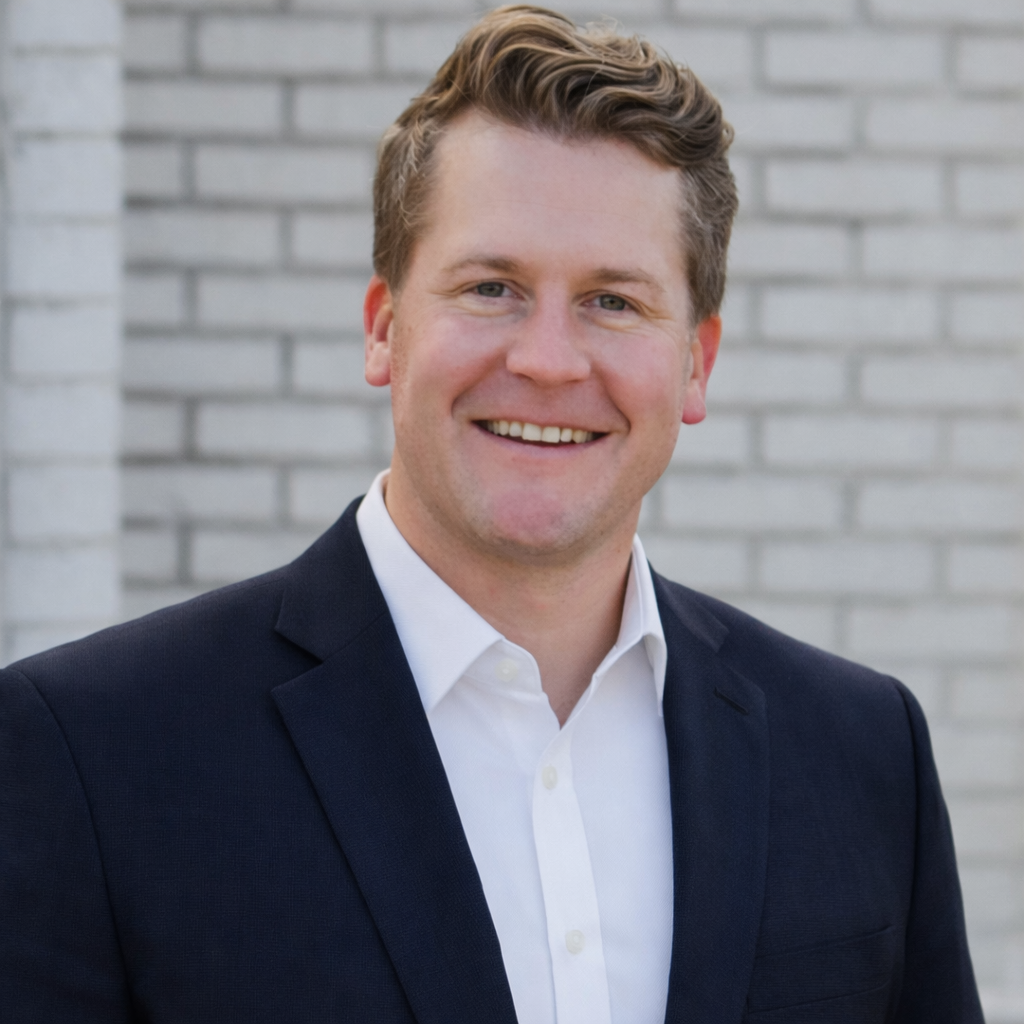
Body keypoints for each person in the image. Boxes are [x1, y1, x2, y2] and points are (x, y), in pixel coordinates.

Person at [0, 6, 982, 1023]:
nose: (547, 361)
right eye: (491, 288)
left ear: (696, 362)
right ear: (384, 329)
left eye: (613, 301)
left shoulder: (864, 753)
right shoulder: (92, 754)